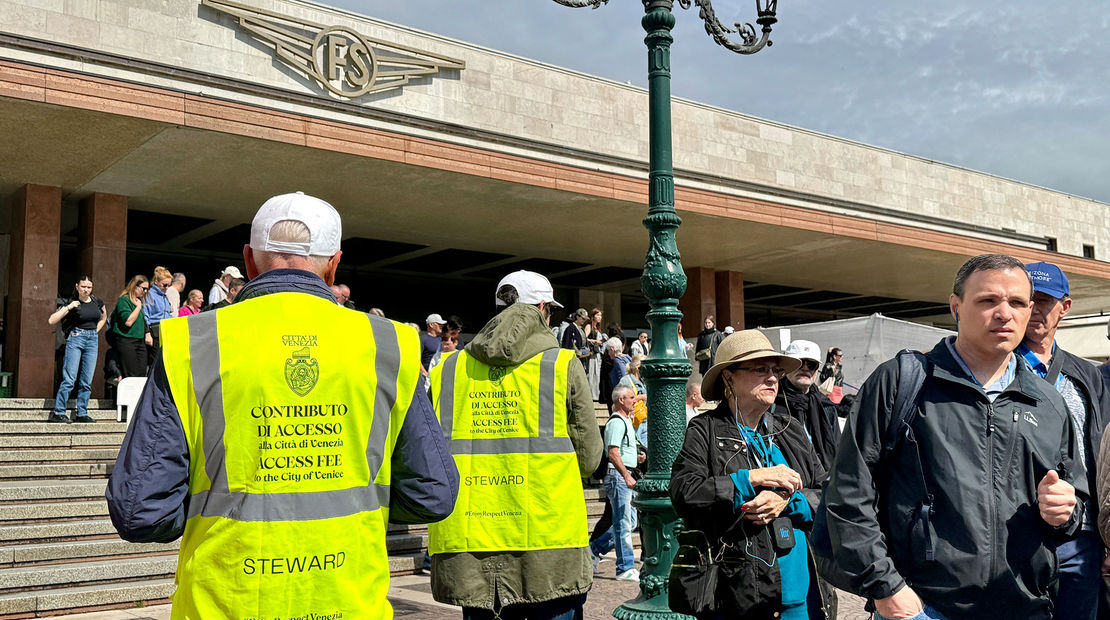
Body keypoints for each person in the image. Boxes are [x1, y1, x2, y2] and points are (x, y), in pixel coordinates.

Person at [106, 191, 459, 619]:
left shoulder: (192, 342)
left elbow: (140, 511)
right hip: (349, 601)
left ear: (250, 260)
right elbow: (433, 494)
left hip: (225, 603)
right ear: (334, 264)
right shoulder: (390, 344)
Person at [823, 253, 1086, 620]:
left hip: (1023, 607)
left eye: (1017, 302)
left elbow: (1076, 502)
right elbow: (849, 492)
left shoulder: (1048, 402)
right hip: (923, 607)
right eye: (988, 300)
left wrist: (1065, 512)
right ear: (956, 307)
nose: (1004, 313)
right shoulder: (902, 382)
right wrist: (886, 588)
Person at [426, 270, 603, 619]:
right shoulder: (561, 364)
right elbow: (589, 458)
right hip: (549, 544)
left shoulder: (448, 369)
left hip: (469, 545)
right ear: (542, 309)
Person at [671, 330, 832, 619]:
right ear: (728, 377)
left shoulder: (790, 428)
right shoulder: (706, 429)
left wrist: (787, 501)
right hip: (740, 596)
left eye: (775, 370)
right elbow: (685, 493)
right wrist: (750, 479)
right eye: (760, 369)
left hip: (803, 596)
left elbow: (829, 494)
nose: (772, 378)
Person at [1017, 261, 1109, 620]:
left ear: (1065, 307)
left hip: (1081, 539)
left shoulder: (1087, 375)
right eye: (1028, 300)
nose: (1035, 310)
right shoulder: (998, 365)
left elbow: (1101, 456)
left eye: (1045, 301)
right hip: (1017, 536)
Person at [589, 384, 643, 582]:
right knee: (623, 523)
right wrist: (626, 475)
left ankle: (594, 550)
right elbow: (612, 452)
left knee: (630, 521)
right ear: (621, 400)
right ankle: (625, 567)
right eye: (631, 397)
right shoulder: (617, 422)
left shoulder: (626, 421)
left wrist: (637, 458)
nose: (634, 400)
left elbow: (622, 450)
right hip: (619, 477)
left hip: (625, 474)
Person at [47, 277, 106, 423]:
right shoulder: (73, 303)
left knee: (86, 380)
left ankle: (82, 412)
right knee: (70, 378)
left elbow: (104, 317)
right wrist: (69, 307)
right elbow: (51, 320)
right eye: (83, 286)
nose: (86, 289)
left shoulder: (97, 302)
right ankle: (59, 412)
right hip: (76, 338)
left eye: (89, 287)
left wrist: (95, 331)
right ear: (77, 287)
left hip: (92, 340)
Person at [777, 339, 840, 472]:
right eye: (799, 363)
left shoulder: (826, 406)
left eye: (811, 364)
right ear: (786, 366)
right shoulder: (771, 403)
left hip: (822, 481)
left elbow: (836, 447)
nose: (805, 369)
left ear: (817, 369)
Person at [110, 275, 151, 378]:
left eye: (147, 289)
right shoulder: (124, 300)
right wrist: (138, 307)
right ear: (134, 286)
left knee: (142, 374)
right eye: (143, 288)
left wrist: (147, 333)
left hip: (140, 342)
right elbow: (128, 321)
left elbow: (141, 320)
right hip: (126, 341)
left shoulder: (138, 301)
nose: (145, 291)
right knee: (132, 374)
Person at [144, 266, 174, 351]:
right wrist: (147, 333)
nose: (167, 288)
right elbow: (145, 316)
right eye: (165, 285)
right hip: (155, 332)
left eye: (169, 285)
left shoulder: (164, 296)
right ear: (156, 282)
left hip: (166, 331)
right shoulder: (149, 295)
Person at [618, 354, 649, 430]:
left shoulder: (644, 381)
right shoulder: (625, 380)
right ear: (637, 367)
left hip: (644, 420)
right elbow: (620, 400)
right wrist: (639, 397)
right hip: (633, 421)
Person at [585, 308, 605, 400]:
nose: (599, 317)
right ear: (592, 316)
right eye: (598, 315)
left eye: (600, 315)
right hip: (591, 354)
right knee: (592, 374)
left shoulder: (597, 328)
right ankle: (591, 395)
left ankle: (595, 395)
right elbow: (584, 338)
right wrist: (595, 341)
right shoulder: (589, 326)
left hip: (597, 354)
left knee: (596, 375)